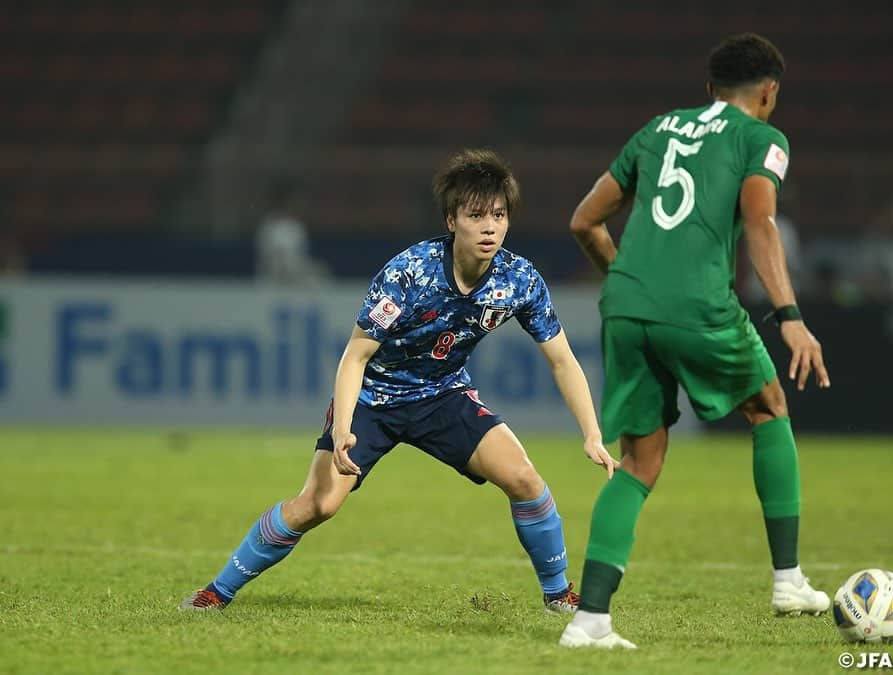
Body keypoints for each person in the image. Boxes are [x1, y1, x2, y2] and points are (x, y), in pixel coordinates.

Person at [180, 149, 618, 613]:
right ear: (452, 220)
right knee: (319, 505)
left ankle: (558, 596)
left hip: (443, 395)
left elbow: (563, 361)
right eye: (476, 216)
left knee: (525, 479)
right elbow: (355, 356)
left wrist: (592, 433)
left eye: (499, 215)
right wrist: (345, 427)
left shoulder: (520, 280)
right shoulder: (409, 272)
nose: (490, 227)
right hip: (374, 398)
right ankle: (216, 592)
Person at [558, 34, 831, 649]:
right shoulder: (763, 139)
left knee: (638, 463)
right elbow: (760, 219)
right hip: (699, 303)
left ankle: (590, 620)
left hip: (624, 302)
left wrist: (633, 282)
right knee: (768, 407)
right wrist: (788, 314)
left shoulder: (657, 129)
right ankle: (788, 581)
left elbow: (584, 220)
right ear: (770, 93)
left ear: (709, 89)